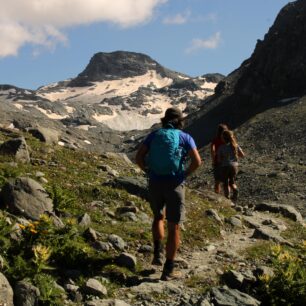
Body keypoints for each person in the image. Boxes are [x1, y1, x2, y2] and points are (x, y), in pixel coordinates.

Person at [135, 107, 201, 281]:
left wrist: (148, 171)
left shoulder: (154, 135)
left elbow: (139, 157)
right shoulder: (185, 137)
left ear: (164, 120)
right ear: (180, 121)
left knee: (158, 217)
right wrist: (185, 174)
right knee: (174, 227)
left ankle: (157, 253)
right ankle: (168, 269)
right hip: (175, 184)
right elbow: (197, 161)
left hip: (155, 182)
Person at [217, 130, 245, 201]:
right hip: (234, 166)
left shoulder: (221, 147)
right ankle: (235, 190)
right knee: (232, 182)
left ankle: (227, 198)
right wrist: (235, 155)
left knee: (226, 183)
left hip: (225, 166)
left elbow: (219, 160)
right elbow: (242, 155)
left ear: (223, 138)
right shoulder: (235, 145)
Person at [210, 124, 229, 193]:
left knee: (217, 181)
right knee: (226, 181)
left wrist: (213, 160)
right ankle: (227, 197)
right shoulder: (228, 139)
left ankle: (217, 195)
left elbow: (212, 150)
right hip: (227, 161)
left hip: (217, 161)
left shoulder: (215, 140)